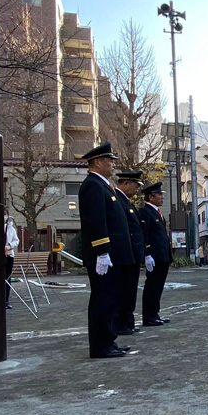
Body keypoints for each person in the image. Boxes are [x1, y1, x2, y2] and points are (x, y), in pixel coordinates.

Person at [78, 143, 133, 358]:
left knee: (110, 300)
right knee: (102, 300)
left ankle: (109, 341)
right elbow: (95, 221)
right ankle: (101, 345)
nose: (112, 165)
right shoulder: (93, 185)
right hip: (104, 256)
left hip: (113, 256)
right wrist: (101, 251)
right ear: (98, 162)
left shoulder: (104, 185)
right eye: (109, 161)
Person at [115, 170, 147, 334]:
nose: (137, 189)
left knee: (130, 290)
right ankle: (122, 324)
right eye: (135, 185)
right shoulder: (117, 199)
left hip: (132, 254)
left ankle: (127, 323)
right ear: (126, 183)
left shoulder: (126, 201)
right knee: (124, 291)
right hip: (124, 254)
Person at [139, 182, 173, 326]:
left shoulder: (157, 212)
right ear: (150, 196)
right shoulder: (145, 212)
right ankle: (149, 316)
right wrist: (147, 254)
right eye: (159, 195)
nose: (161, 197)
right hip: (154, 256)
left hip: (162, 255)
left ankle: (155, 313)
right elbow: (144, 235)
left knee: (158, 286)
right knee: (152, 286)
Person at [3, 209, 19, 310]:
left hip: (9, 255)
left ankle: (6, 300)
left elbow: (16, 240)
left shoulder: (11, 227)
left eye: (5, 214)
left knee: (7, 278)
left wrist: (10, 245)